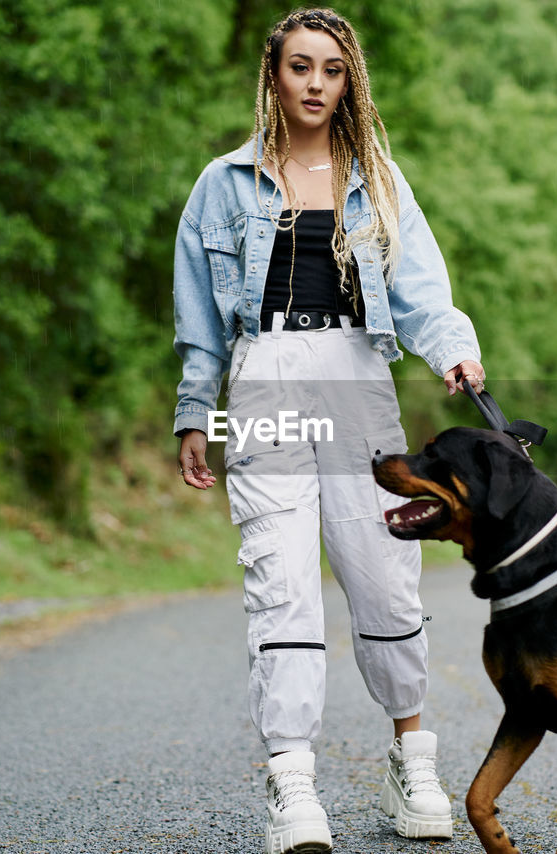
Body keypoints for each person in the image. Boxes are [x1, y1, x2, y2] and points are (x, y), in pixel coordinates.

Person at [171, 8, 484, 852]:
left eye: (332, 70)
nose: (316, 84)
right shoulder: (223, 184)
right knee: (281, 580)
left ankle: (412, 759)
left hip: (357, 377)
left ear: (350, 81)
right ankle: (293, 784)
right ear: (273, 75)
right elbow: (200, 320)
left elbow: (421, 288)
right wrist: (196, 411)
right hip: (265, 376)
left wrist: (451, 351)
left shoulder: (377, 177)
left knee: (384, 575)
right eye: (300, 67)